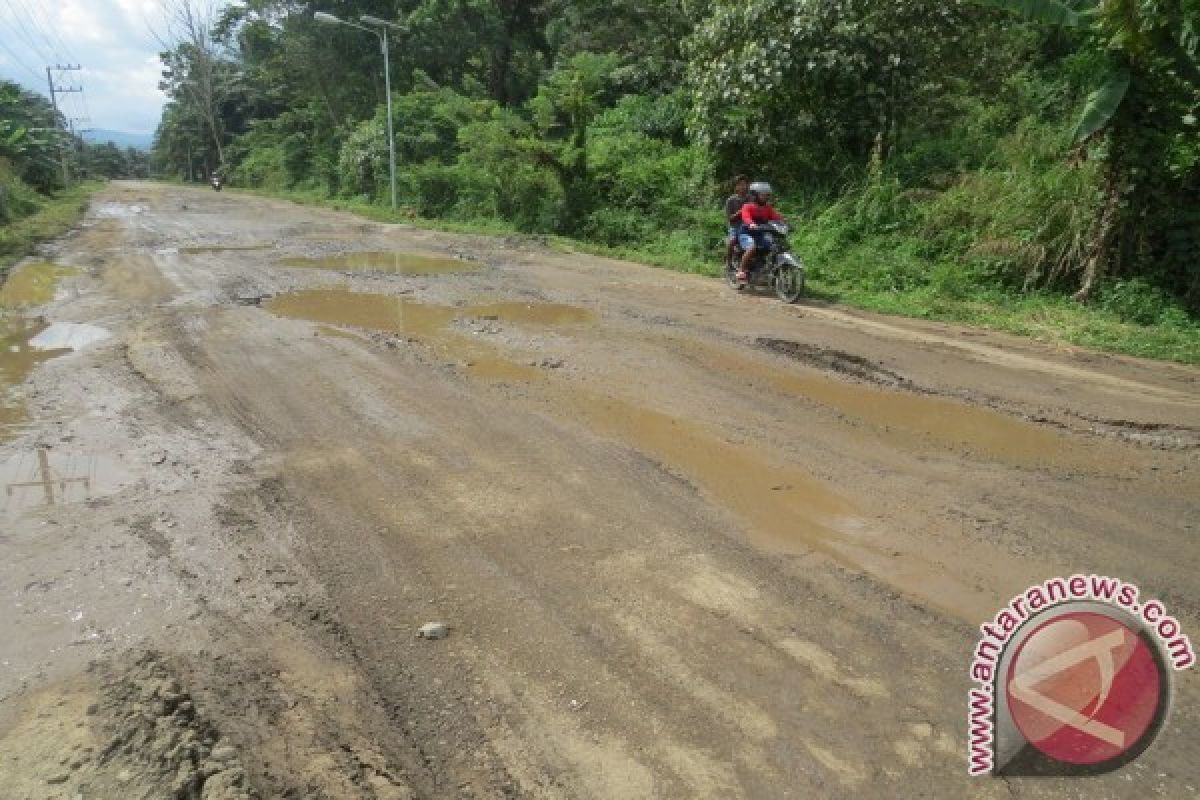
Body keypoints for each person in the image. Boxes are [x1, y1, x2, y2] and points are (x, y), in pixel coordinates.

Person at [736, 181, 784, 286]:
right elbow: (746, 216)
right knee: (751, 248)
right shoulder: (747, 206)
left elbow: (776, 217)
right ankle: (741, 271)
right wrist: (751, 223)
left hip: (760, 235)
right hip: (746, 233)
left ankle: (762, 268)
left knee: (773, 247)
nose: (766, 197)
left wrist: (784, 222)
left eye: (767, 195)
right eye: (763, 195)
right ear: (755, 195)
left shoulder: (767, 208)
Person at [723, 175, 749, 269]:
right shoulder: (731, 200)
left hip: (748, 226)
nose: (743, 187)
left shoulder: (750, 199)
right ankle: (728, 261)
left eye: (745, 184)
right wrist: (740, 212)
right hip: (735, 226)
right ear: (736, 187)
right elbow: (730, 218)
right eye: (740, 185)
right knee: (733, 240)